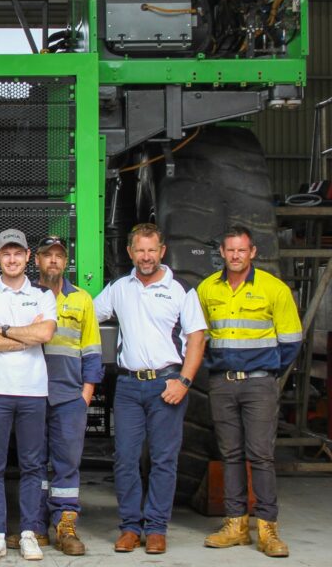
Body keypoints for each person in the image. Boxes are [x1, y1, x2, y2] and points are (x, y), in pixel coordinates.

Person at [93, 223, 207, 555]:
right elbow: (86, 315)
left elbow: (197, 339)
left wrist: (184, 382)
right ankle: (130, 527)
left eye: (151, 250)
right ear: (130, 252)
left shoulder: (180, 289)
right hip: (128, 385)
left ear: (162, 251)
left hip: (167, 384)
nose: (145, 256)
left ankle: (156, 528)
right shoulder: (119, 287)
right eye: (139, 250)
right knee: (125, 459)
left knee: (163, 460)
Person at [197, 225, 302, 558]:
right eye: (230, 250)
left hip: (259, 382)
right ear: (222, 253)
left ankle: (268, 529)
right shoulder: (206, 289)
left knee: (260, 455)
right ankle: (236, 525)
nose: (236, 256)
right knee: (230, 455)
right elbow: (197, 336)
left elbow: (291, 342)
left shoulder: (275, 289)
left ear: (252, 252)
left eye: (242, 250)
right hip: (221, 382)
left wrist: (266, 371)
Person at [0, 229, 57, 561]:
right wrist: (25, 336)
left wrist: (2, 329)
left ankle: (30, 532)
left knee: (34, 464)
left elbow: (45, 333)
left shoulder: (44, 295)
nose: (12, 258)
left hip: (33, 391)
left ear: (28, 257)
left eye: (18, 253)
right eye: (6, 253)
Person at [34, 235, 104, 556]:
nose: (53, 261)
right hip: (32, 393)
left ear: (66, 261)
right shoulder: (26, 296)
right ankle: (35, 527)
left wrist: (85, 395)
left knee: (67, 464)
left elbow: (92, 351)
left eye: (58, 256)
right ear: (37, 260)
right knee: (33, 463)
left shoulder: (82, 300)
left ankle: (65, 524)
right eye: (47, 255)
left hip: (68, 397)